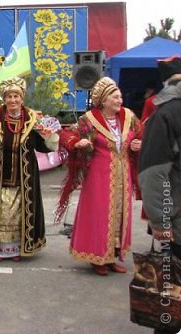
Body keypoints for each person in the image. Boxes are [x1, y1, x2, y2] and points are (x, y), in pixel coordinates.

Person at [57, 77, 142, 276]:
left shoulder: (129, 117)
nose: (119, 99)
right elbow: (67, 135)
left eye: (120, 95)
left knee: (120, 213)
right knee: (100, 214)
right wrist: (77, 144)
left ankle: (113, 256)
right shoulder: (89, 119)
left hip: (123, 174)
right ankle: (97, 257)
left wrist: (137, 145)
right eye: (114, 96)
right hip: (98, 174)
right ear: (103, 100)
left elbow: (140, 136)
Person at [0, 77, 58, 262]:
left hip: (25, 175)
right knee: (0, 212)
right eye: (9, 96)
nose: (13, 100)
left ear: (22, 98)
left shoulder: (33, 119)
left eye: (16, 96)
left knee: (21, 213)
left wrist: (49, 136)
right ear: (4, 98)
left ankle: (18, 249)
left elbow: (42, 147)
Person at [138, 56, 181, 334]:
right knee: (171, 294)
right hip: (177, 224)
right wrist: (162, 223)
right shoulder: (166, 114)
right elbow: (154, 175)